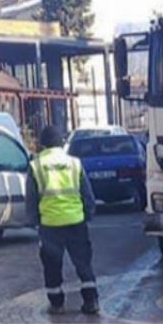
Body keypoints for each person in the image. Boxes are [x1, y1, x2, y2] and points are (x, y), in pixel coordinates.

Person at [26, 125, 99, 315]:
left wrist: (34, 221)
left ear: (43, 144)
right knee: (83, 263)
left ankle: (57, 305)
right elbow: (87, 193)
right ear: (61, 143)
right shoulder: (74, 163)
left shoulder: (36, 165)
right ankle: (91, 302)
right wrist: (88, 214)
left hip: (50, 225)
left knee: (52, 266)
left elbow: (31, 198)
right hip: (76, 221)